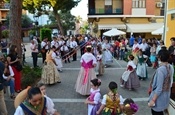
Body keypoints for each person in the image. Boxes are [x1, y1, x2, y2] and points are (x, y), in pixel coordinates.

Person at [148, 49, 173, 115]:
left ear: (160, 57)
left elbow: (159, 88)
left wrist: (153, 100)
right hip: (166, 95)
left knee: (156, 113)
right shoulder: (170, 67)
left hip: (159, 99)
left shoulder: (161, 70)